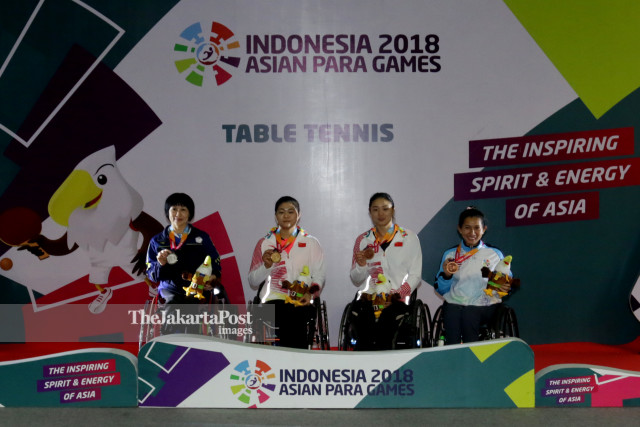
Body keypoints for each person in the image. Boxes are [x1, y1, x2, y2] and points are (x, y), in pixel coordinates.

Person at [248, 196, 325, 349]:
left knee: (295, 313)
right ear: (275, 216)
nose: (286, 216)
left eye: (291, 212)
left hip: (302, 299)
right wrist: (267, 266)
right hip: (271, 301)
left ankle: (289, 358)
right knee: (286, 312)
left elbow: (319, 275)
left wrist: (310, 294)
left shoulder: (311, 242)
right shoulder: (265, 243)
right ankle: (293, 357)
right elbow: (253, 281)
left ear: (299, 215)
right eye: (281, 212)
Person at [349, 192, 423, 350]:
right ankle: (363, 363)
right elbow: (356, 279)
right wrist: (361, 265)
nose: (380, 214)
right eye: (375, 209)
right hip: (370, 298)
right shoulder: (363, 240)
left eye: (385, 208)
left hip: (397, 299)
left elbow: (416, 275)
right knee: (362, 325)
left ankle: (385, 363)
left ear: (393, 210)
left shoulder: (409, 237)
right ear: (370, 212)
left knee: (385, 326)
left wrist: (396, 295)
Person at [146, 193, 223, 334]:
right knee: (173, 303)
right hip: (170, 288)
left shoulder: (202, 237)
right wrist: (160, 263)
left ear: (190, 214)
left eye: (183, 209)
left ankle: (190, 341)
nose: (178, 214)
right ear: (167, 213)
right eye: (174, 209)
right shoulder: (157, 241)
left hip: (196, 285)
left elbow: (214, 261)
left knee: (190, 303)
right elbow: (151, 274)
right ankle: (169, 341)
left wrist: (213, 276)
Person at [434, 206, 511, 345]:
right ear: (459, 229)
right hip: (456, 303)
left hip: (485, 304)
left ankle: (471, 355)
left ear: (484, 229)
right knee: (451, 312)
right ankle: (452, 353)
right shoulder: (450, 254)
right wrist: (447, 275)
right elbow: (441, 289)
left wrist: (504, 286)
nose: (472, 233)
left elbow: (506, 283)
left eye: (477, 228)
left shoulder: (494, 254)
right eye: (467, 228)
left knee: (469, 313)